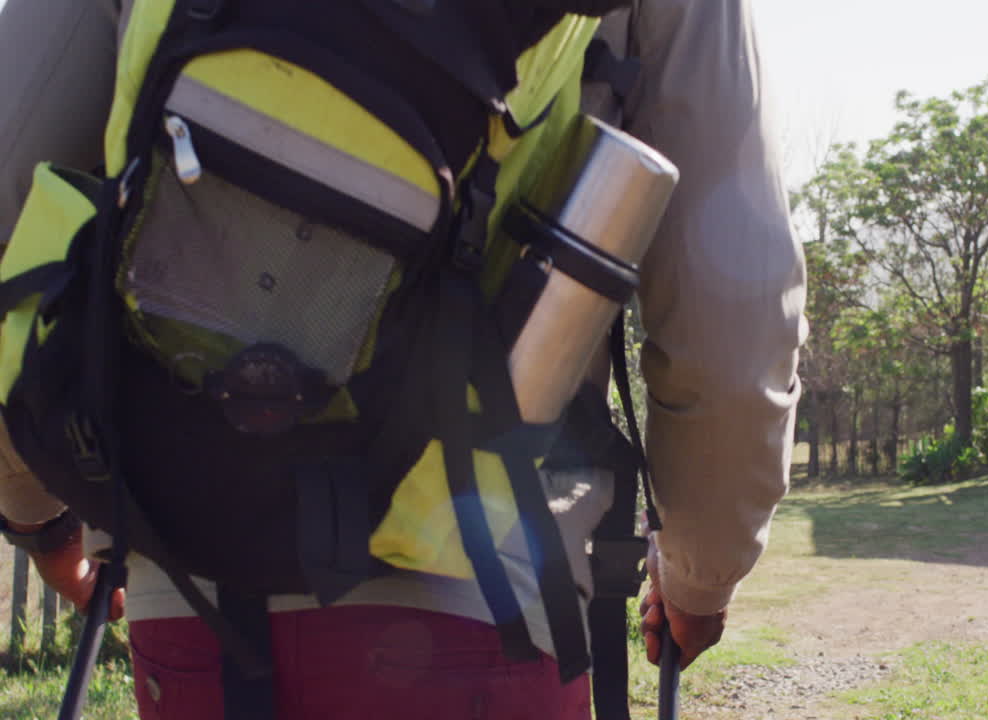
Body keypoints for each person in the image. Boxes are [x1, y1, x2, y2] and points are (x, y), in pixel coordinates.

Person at [0, 0, 806, 718]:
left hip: (187, 576)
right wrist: (703, 571)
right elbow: (734, 301)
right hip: (483, 589)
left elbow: (12, 172)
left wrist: (37, 507)